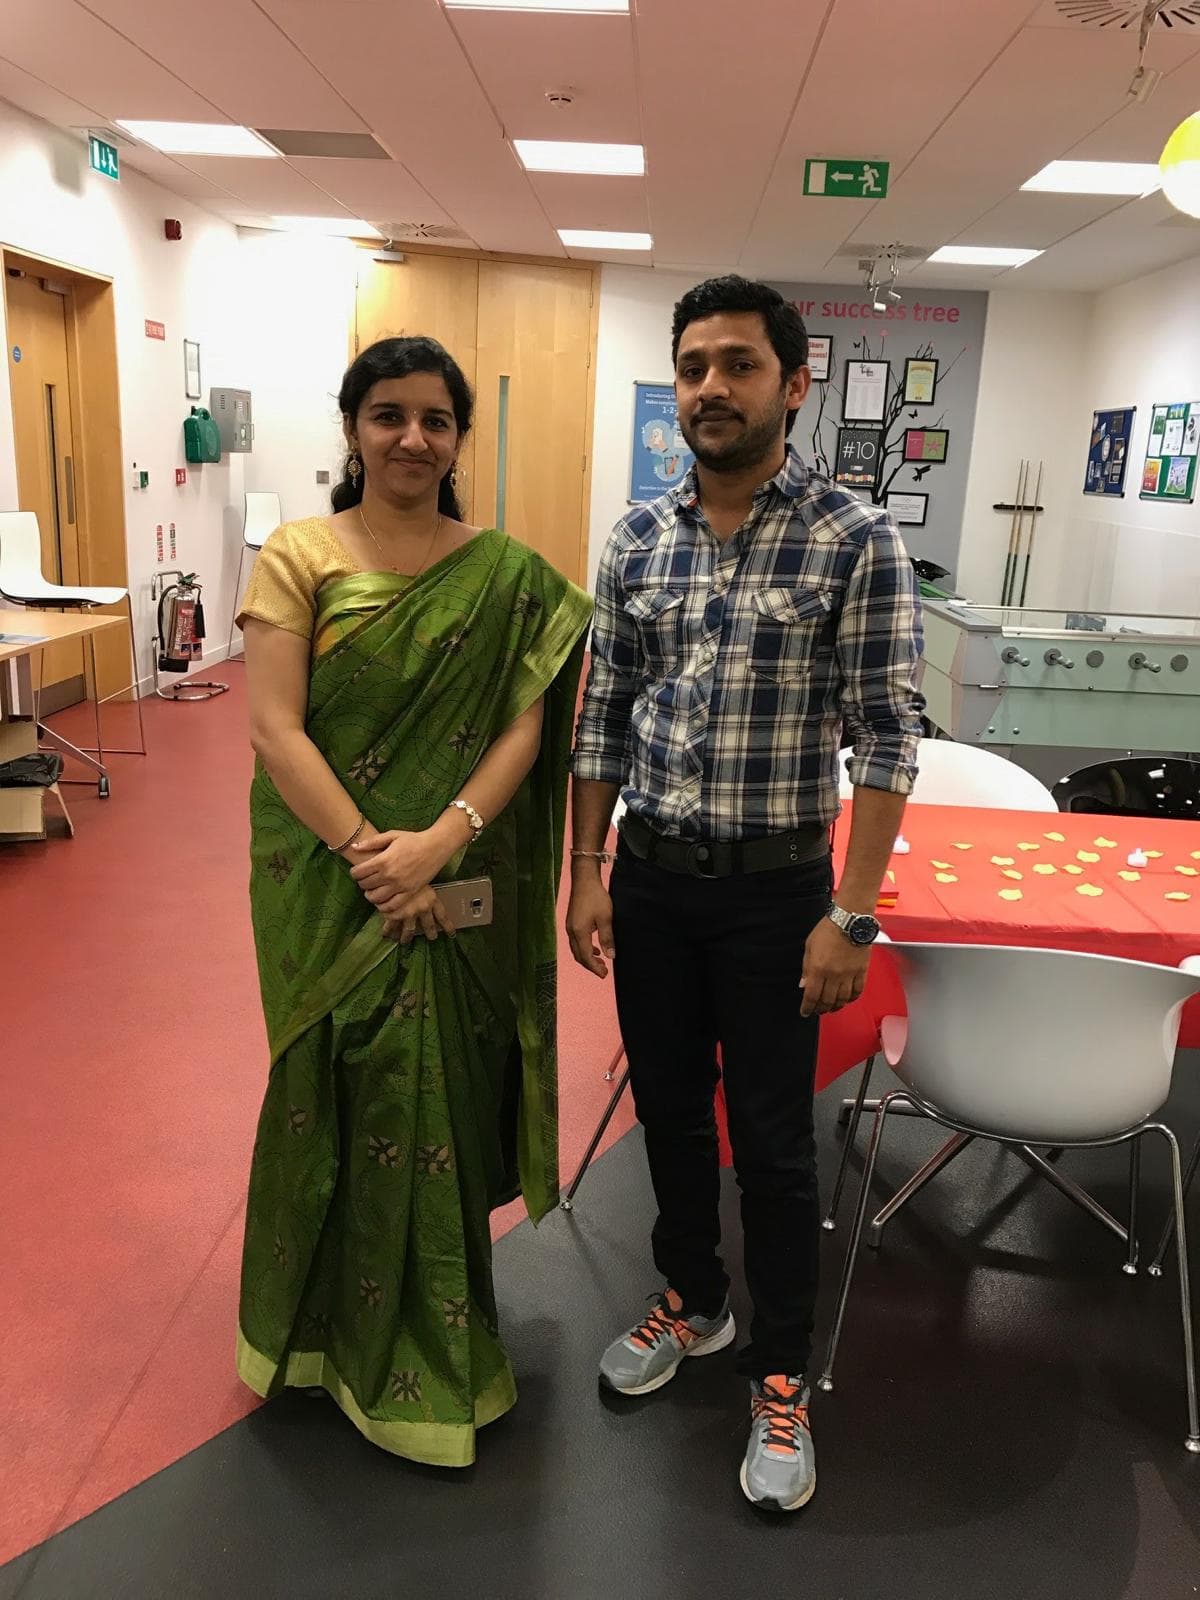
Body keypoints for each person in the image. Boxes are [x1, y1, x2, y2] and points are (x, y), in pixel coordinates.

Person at [567, 276, 923, 1512]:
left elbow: (886, 736)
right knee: (667, 1114)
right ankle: (696, 1305)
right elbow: (601, 715)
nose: (710, 387)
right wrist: (586, 869)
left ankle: (780, 1373)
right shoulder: (637, 539)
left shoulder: (852, 537)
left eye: (738, 364)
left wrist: (852, 911)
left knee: (772, 1146)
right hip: (655, 884)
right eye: (693, 367)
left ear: (793, 383)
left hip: (780, 899)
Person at [235, 335, 591, 1466]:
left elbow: (524, 726)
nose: (412, 438)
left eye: (436, 419)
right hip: (332, 886)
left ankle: (431, 1354)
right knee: (331, 1087)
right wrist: (371, 856)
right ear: (353, 427)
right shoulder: (299, 555)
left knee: (428, 1100)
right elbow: (275, 727)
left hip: (452, 873)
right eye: (388, 415)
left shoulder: (507, 576)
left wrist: (442, 841)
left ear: (458, 438)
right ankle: (309, 1341)